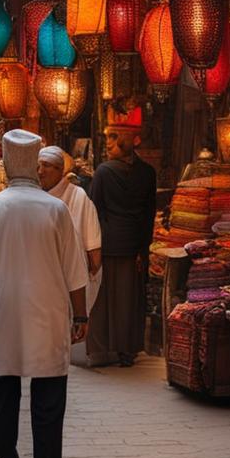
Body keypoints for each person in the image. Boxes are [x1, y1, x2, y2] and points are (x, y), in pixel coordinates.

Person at [0, 131, 89, 458]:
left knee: (4, 387)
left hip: (4, 310)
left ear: (7, 164)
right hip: (48, 313)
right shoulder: (55, 208)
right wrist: (81, 315)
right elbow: (75, 271)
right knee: (49, 396)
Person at [87, 109, 158, 367]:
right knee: (129, 299)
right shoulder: (147, 173)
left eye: (113, 138)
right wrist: (144, 248)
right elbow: (149, 213)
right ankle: (127, 349)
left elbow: (94, 209)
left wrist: (92, 243)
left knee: (105, 298)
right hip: (133, 244)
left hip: (107, 243)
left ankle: (103, 347)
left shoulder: (104, 173)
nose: (108, 144)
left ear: (124, 143)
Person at [39, 145, 103, 367]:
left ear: (59, 171)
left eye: (47, 166)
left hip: (71, 272)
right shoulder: (37, 197)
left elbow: (92, 241)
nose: (41, 171)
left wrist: (93, 267)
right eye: (38, 166)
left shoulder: (78, 196)